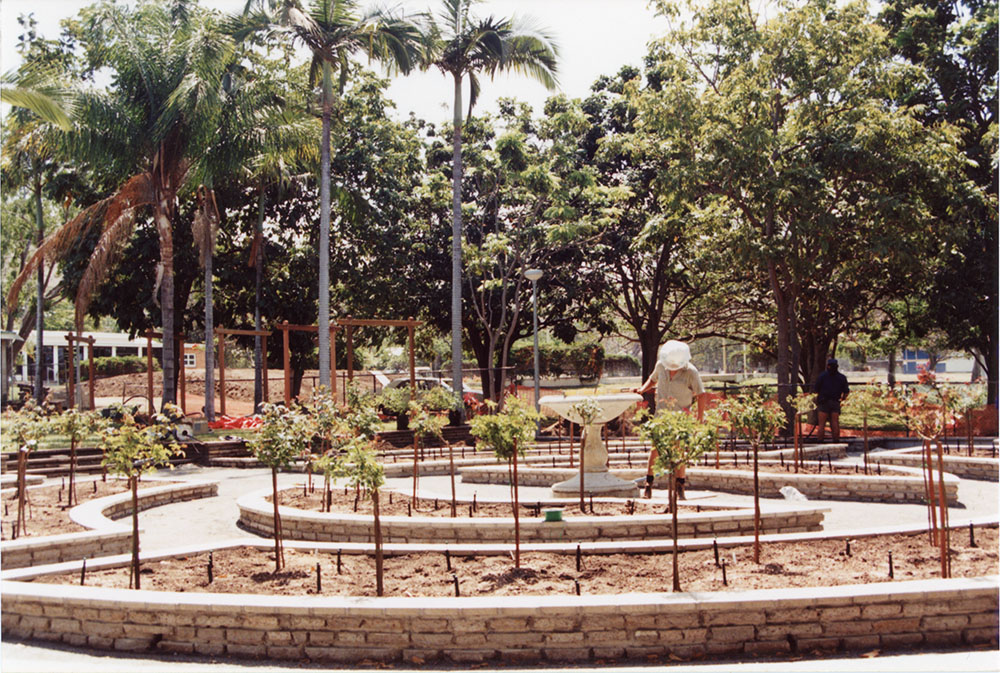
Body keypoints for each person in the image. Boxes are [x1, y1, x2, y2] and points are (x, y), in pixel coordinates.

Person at [633, 340, 707, 499]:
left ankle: (680, 487)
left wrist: (699, 419)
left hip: (681, 419)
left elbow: (701, 395)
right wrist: (641, 390)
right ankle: (649, 484)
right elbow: (653, 380)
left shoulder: (691, 372)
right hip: (661, 417)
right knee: (656, 450)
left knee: (679, 451)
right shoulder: (661, 366)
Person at [814, 357, 849, 441]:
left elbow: (816, 389)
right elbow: (846, 391)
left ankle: (820, 442)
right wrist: (842, 399)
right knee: (835, 423)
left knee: (821, 424)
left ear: (827, 366)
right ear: (837, 366)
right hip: (835, 401)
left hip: (823, 402)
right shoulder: (842, 377)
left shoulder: (822, 376)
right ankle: (836, 441)